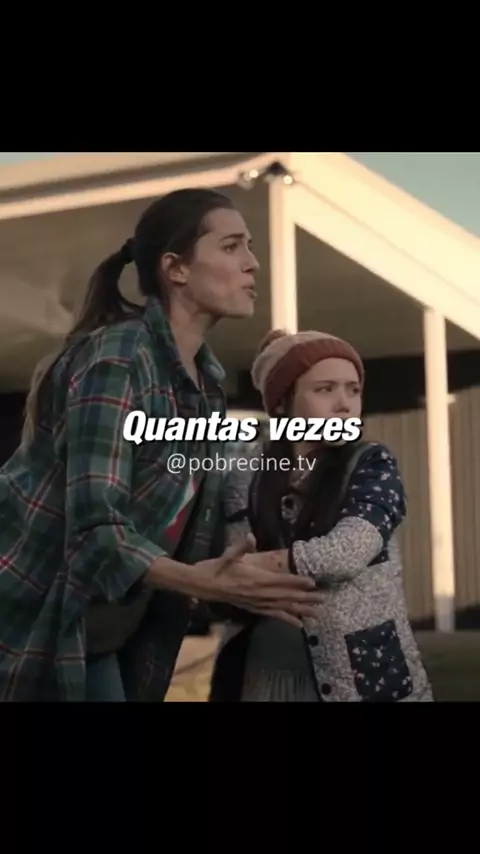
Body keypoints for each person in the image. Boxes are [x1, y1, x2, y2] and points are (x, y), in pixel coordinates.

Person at [0, 189, 322, 702]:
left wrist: (255, 573)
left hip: (105, 632)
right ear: (176, 269)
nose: (252, 263)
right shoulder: (119, 357)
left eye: (250, 246)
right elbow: (95, 529)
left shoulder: (207, 387)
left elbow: (185, 530)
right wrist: (206, 583)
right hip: (30, 622)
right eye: (232, 246)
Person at [209, 328, 434, 702]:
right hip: (266, 672)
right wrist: (231, 575)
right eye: (325, 389)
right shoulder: (247, 471)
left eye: (353, 390)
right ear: (282, 403)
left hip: (361, 677)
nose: (344, 404)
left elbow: (347, 552)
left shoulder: (372, 464)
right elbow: (231, 558)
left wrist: (258, 566)